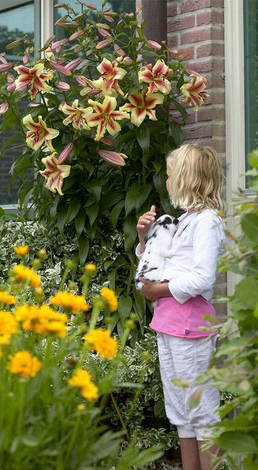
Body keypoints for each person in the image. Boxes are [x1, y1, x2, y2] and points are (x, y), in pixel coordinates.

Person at [136, 144, 226, 470]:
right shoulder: (173, 221)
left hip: (191, 328)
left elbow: (203, 277)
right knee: (181, 413)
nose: (167, 179)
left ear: (187, 178)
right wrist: (145, 237)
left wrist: (160, 290)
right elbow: (145, 276)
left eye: (171, 173)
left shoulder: (207, 222)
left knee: (201, 411)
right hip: (168, 326)